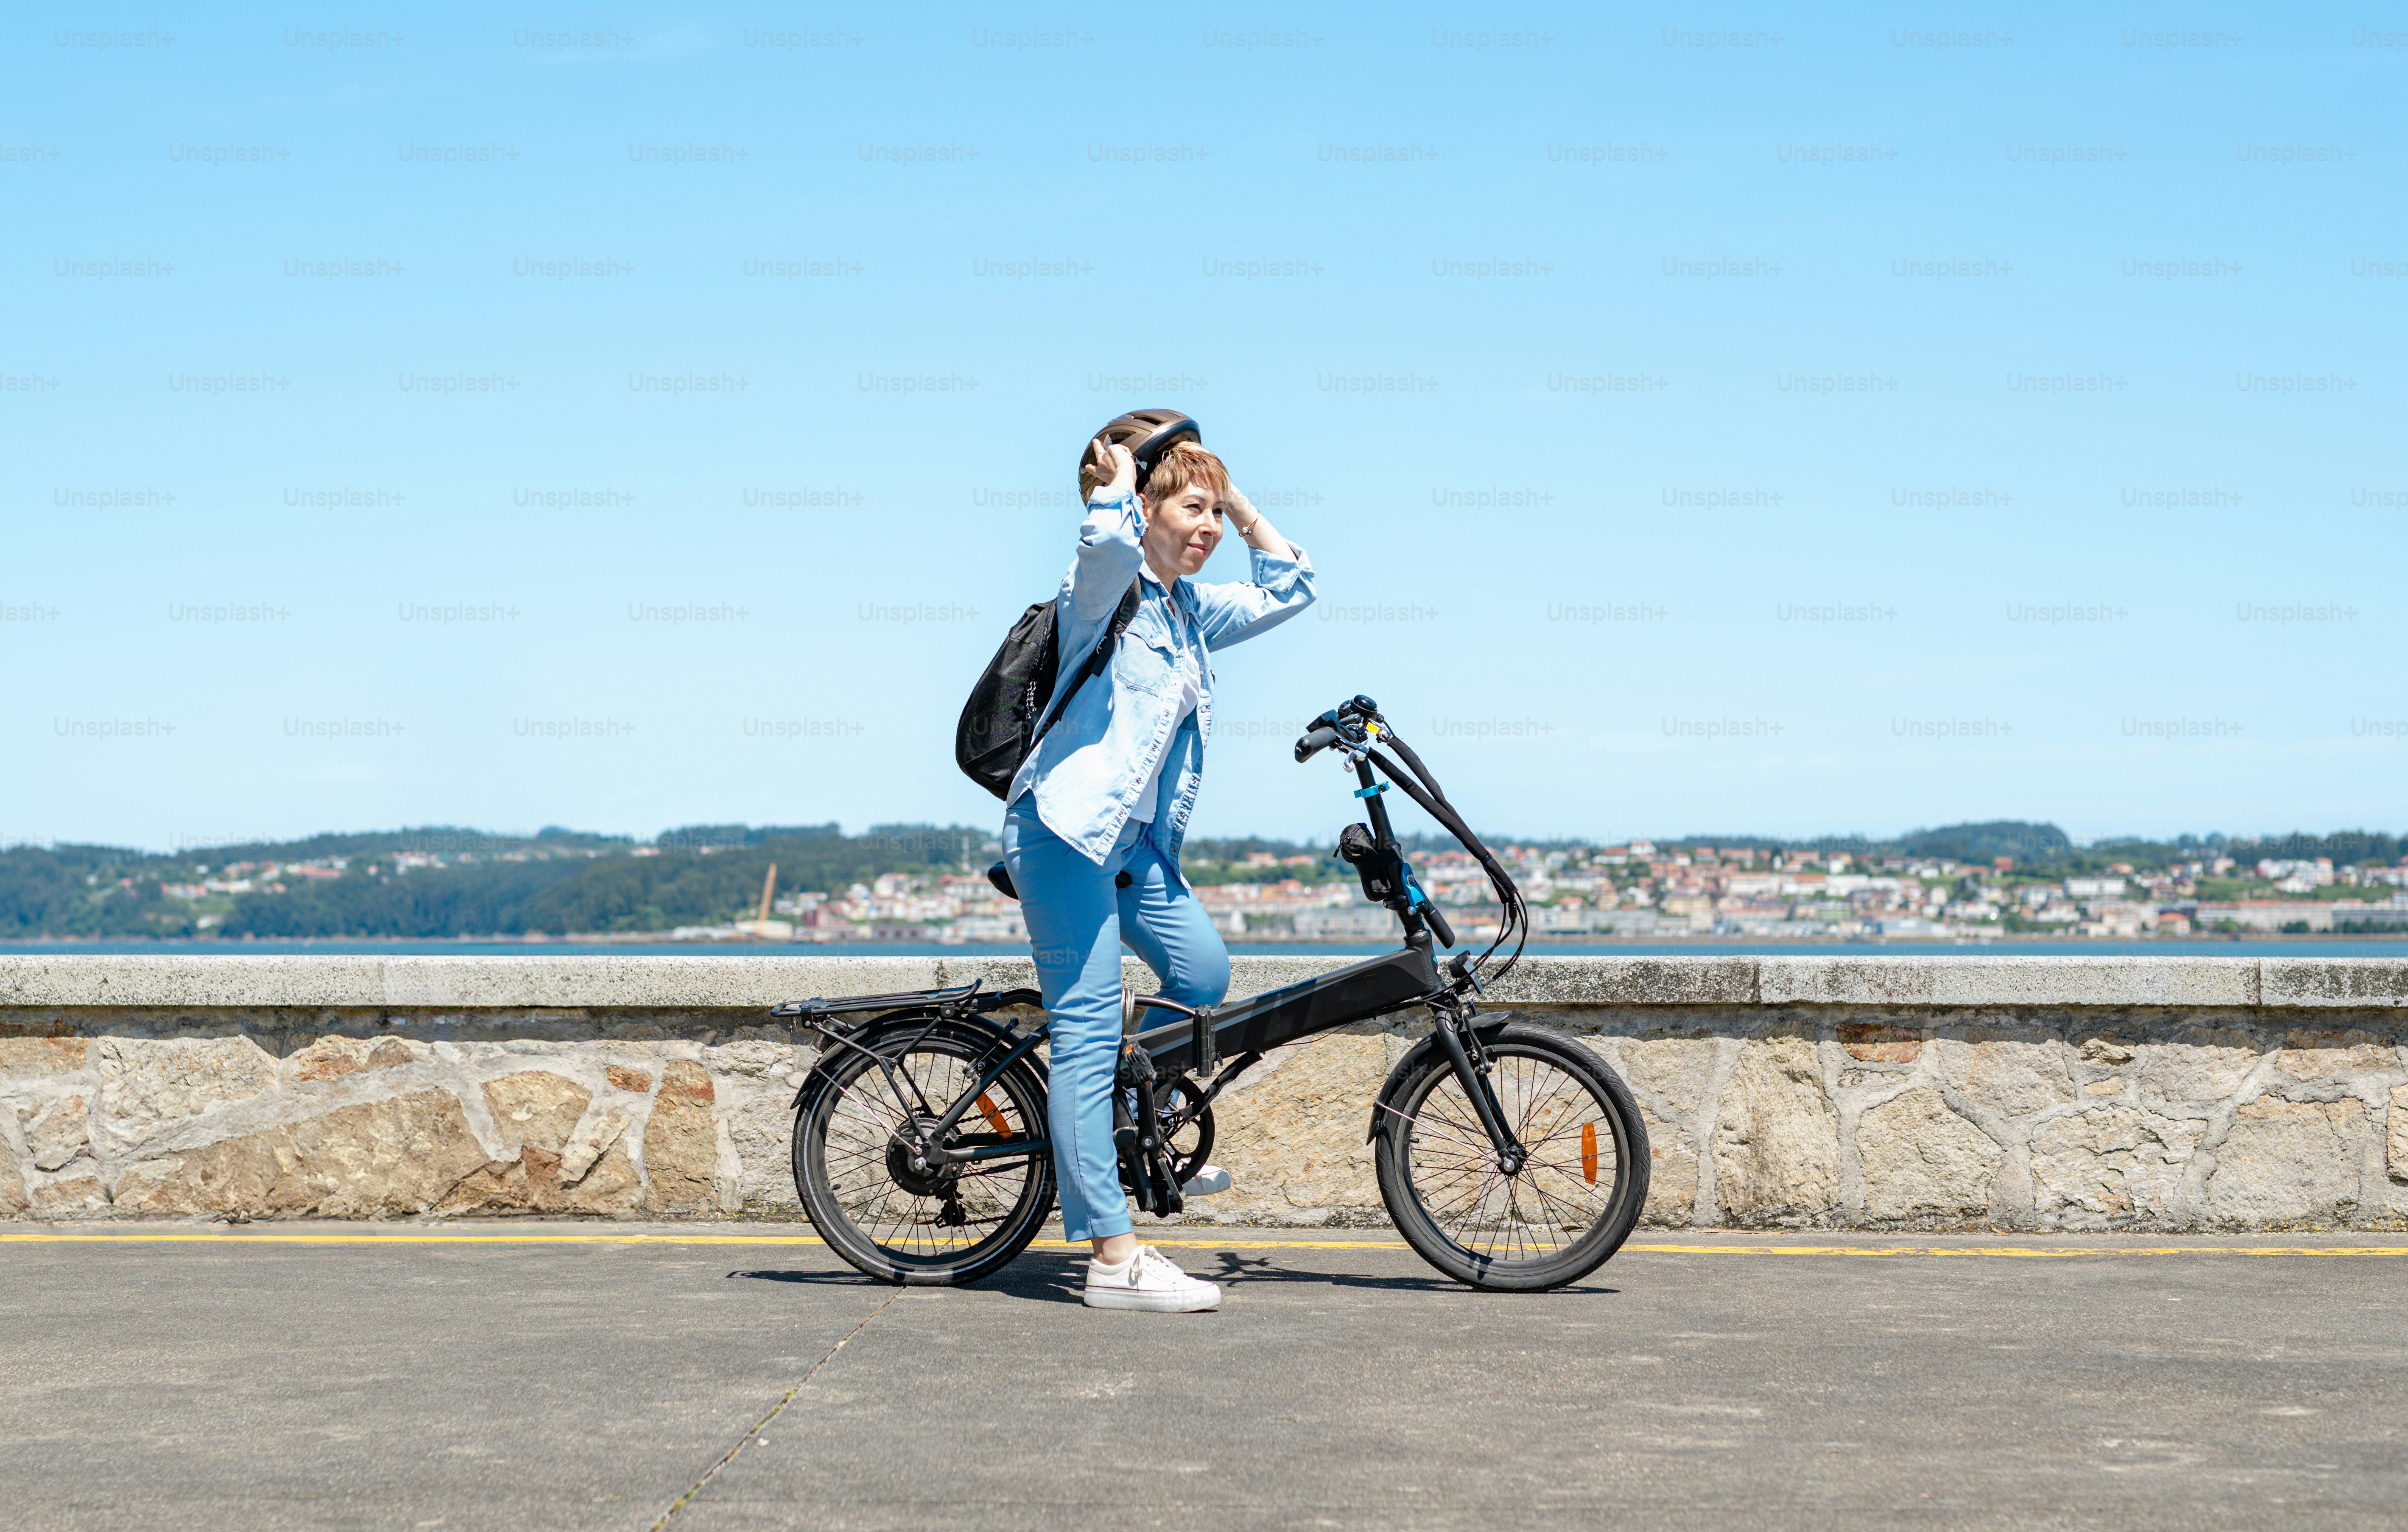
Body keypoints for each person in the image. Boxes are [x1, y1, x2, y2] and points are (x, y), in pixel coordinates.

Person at [1002, 412, 1315, 1312]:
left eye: (1213, 512)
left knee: (1202, 971)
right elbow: (1102, 542)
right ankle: (1112, 1257)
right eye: (1191, 507)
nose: (1209, 527)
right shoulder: (1103, 589)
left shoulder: (1185, 609)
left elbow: (1291, 586)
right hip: (1064, 835)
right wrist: (1113, 487)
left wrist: (1235, 496)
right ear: (1144, 508)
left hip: (1134, 848)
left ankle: (1126, 1125)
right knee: (1088, 1036)